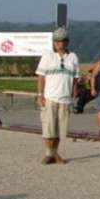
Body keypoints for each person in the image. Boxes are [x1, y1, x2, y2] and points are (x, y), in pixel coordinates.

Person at [35, 27, 80, 165]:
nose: (60, 44)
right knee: (48, 128)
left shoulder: (73, 57)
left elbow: (75, 79)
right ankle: (48, 154)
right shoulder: (47, 55)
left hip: (65, 99)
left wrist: (74, 95)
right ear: (54, 42)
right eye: (57, 41)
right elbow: (41, 77)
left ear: (67, 42)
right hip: (50, 97)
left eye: (62, 41)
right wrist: (40, 95)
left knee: (60, 130)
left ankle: (55, 153)